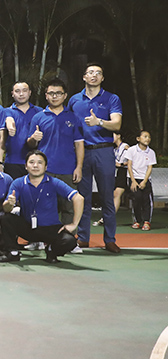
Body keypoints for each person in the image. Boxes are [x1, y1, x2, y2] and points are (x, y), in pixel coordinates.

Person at [66, 63, 123, 253]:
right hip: (81, 153)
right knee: (83, 197)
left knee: (107, 197)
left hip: (104, 151)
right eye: (90, 72)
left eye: (98, 73)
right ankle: (83, 238)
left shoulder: (111, 98)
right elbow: (67, 124)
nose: (94, 75)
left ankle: (110, 239)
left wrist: (99, 121)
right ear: (84, 77)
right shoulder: (74, 100)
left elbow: (116, 124)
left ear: (102, 78)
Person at [0, 150, 83, 264]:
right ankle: (13, 252)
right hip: (27, 227)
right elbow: (6, 209)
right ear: (26, 166)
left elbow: (78, 198)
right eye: (31, 162)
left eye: (40, 163)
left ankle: (51, 251)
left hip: (50, 229)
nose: (35, 165)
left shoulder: (54, 182)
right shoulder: (18, 183)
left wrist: (74, 224)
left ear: (46, 167)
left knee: (69, 241)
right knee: (6, 218)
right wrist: (9, 203)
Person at [28, 78, 84, 229]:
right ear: (46, 95)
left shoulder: (73, 117)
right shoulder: (38, 117)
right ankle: (42, 237)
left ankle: (68, 238)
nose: (54, 96)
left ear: (65, 96)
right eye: (51, 93)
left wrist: (79, 167)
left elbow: (79, 144)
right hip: (45, 170)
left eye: (58, 93)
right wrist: (33, 138)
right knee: (43, 206)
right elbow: (30, 144)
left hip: (68, 170)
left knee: (69, 207)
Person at [4, 81, 43, 180]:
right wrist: (10, 127)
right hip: (12, 161)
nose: (21, 94)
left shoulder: (39, 112)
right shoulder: (7, 111)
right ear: (12, 94)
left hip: (35, 162)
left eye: (24, 91)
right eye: (17, 91)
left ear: (29, 92)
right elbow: (9, 119)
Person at [125, 130, 157, 231]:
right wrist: (133, 181)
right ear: (138, 139)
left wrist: (144, 181)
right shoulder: (131, 150)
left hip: (145, 179)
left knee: (147, 200)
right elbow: (129, 166)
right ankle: (137, 221)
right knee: (137, 199)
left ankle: (147, 221)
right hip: (133, 178)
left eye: (149, 137)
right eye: (145, 136)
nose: (147, 139)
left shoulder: (151, 152)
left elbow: (150, 167)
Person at [96, 132, 130, 227]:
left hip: (124, 172)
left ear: (119, 136)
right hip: (115, 173)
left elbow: (133, 159)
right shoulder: (114, 149)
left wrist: (121, 164)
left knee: (117, 194)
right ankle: (107, 217)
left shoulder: (125, 146)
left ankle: (108, 218)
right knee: (111, 195)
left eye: (113, 135)